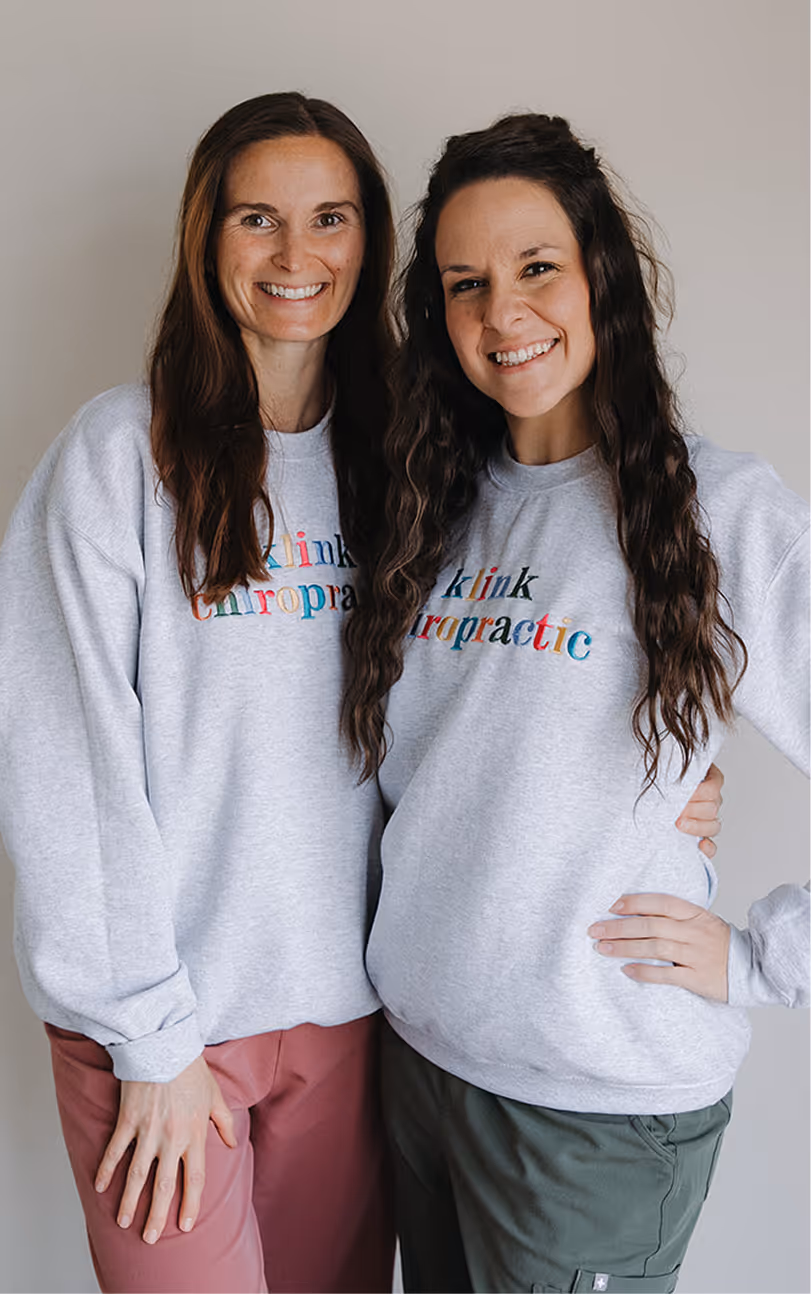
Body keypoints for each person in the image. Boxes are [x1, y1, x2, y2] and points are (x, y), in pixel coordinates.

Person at [344, 113, 810, 1294]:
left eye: (536, 268)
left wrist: (763, 959)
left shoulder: (720, 512)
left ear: (600, 271)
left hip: (590, 1114)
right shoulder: (428, 506)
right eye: (466, 284)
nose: (503, 315)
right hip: (418, 1073)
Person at [0, 92, 397, 1294]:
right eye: (256, 219)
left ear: (367, 240)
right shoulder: (120, 454)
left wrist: (669, 779)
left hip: (349, 1014)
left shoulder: (400, 457)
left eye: (329, 218)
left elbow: (484, 689)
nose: (295, 256)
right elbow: (64, 758)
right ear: (205, 237)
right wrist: (151, 1037)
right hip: (161, 1025)